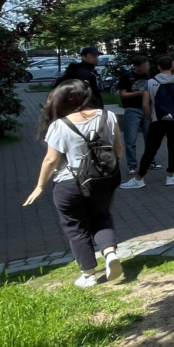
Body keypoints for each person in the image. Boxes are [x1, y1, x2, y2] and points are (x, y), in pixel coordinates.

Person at [24, 80, 123, 288]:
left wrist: (40, 186)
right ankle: (110, 253)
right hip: (103, 180)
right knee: (101, 216)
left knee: (75, 226)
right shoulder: (108, 116)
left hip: (70, 183)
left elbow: (51, 160)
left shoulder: (59, 125)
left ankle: (88, 274)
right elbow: (118, 149)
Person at [119, 56, 174, 189]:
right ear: (172, 67)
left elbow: (145, 105)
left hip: (158, 120)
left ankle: (139, 178)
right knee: (173, 148)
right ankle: (170, 176)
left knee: (150, 149)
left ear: (158, 67)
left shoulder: (150, 82)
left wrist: (151, 118)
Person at [117, 55, 150, 174]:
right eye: (145, 65)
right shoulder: (127, 77)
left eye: (148, 64)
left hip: (147, 109)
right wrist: (138, 93)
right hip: (132, 110)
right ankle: (132, 164)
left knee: (150, 138)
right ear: (137, 67)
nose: (147, 67)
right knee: (130, 139)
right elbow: (122, 94)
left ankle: (151, 160)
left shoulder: (149, 76)